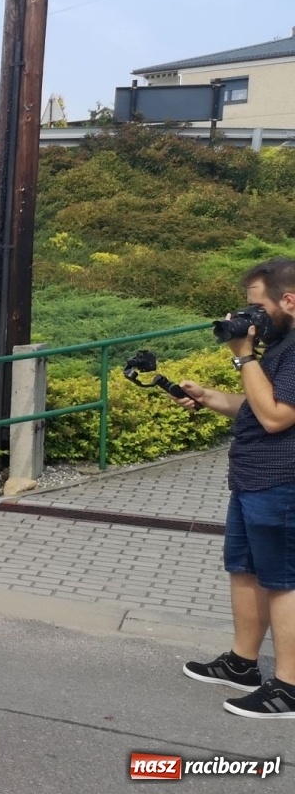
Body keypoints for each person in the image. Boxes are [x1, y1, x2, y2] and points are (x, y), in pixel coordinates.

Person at [174, 258, 295, 719]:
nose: (248, 317)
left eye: (256, 307)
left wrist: (243, 354)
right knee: (245, 569)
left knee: (283, 581)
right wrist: (209, 397)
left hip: (284, 481)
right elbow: (260, 404)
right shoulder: (283, 344)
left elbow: (276, 417)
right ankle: (242, 665)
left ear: (289, 301)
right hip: (253, 478)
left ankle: (290, 687)